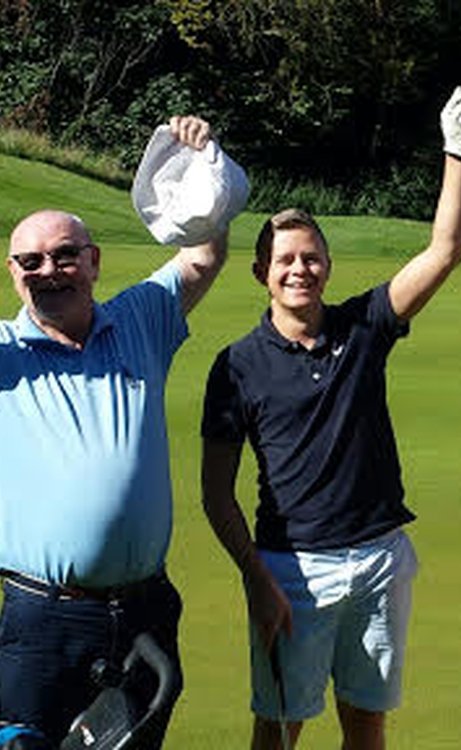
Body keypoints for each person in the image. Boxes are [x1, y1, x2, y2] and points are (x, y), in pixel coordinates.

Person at [199, 86, 461, 750]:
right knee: (277, 730)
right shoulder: (237, 365)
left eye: (310, 257)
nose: (299, 268)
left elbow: (443, 253)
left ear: (326, 264)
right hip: (291, 569)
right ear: (261, 274)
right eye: (285, 260)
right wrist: (256, 576)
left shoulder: (364, 326)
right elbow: (217, 495)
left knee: (366, 724)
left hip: (381, 556)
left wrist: (458, 152)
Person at [0, 116, 231, 746]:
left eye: (65, 255)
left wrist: (201, 162)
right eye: (31, 261)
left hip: (143, 612)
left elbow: (204, 253)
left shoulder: (141, 317)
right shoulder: (4, 351)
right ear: (14, 272)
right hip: (42, 622)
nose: (49, 270)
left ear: (93, 262)